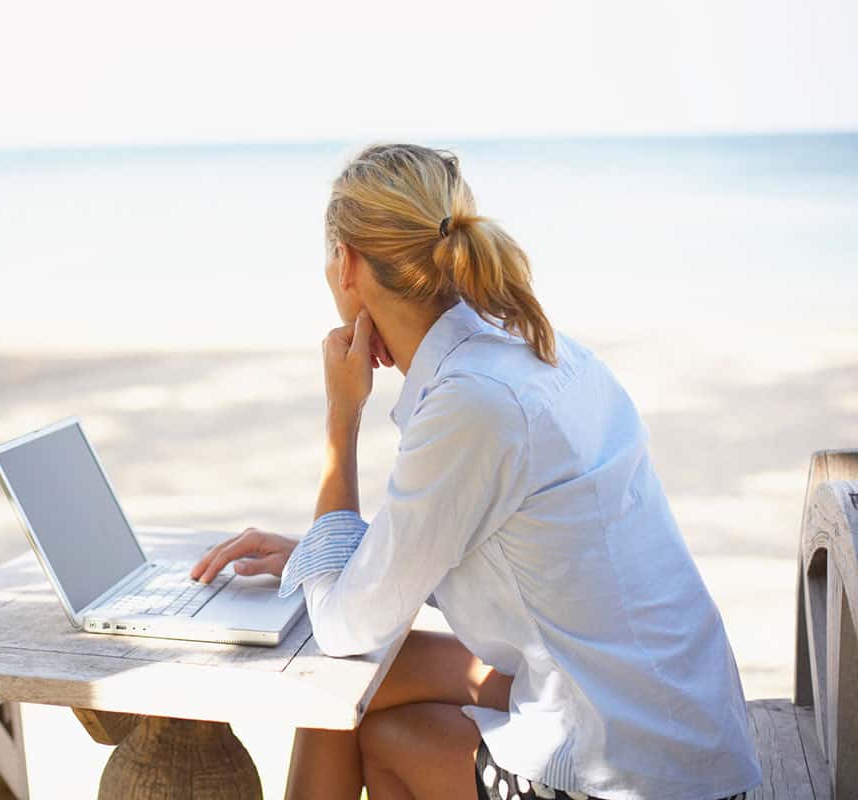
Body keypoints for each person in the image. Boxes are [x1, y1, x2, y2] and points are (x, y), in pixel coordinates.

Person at [190, 143, 762, 800]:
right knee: (356, 692)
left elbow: (347, 629)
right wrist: (337, 556)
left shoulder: (471, 403)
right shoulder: (523, 343)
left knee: (357, 712)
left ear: (346, 263)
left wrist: (341, 419)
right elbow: (498, 545)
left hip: (643, 773)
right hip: (675, 724)